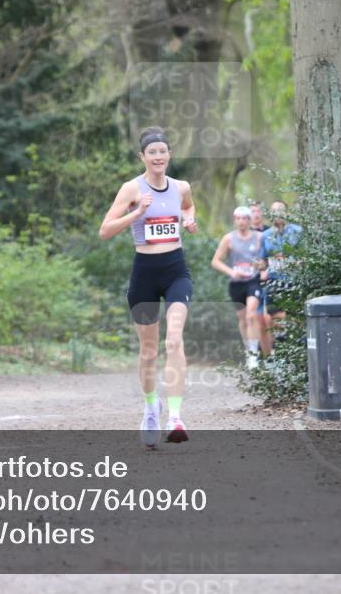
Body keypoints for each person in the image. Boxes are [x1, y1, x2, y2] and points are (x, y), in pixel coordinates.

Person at [99, 126, 198, 447]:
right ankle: (150, 408)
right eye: (151, 152)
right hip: (144, 272)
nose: (158, 157)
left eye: (163, 151)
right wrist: (137, 213)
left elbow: (187, 206)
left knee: (173, 341)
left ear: (169, 155)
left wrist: (189, 220)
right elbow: (105, 230)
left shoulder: (181, 186)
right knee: (148, 351)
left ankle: (175, 416)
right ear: (143, 156)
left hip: (175, 270)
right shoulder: (131, 189)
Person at [211, 206, 263, 370]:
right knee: (242, 319)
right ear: (235, 220)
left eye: (245, 218)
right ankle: (248, 350)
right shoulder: (229, 239)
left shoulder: (259, 237)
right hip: (236, 283)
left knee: (251, 315)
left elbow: (269, 256)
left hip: (253, 280)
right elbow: (216, 261)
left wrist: (262, 266)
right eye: (238, 218)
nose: (241, 222)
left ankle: (254, 356)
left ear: (249, 220)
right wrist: (231, 272)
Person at [258, 200, 303, 355]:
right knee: (272, 317)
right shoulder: (265, 235)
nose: (277, 214)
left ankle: (294, 350)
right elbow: (262, 261)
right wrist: (259, 268)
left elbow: (307, 256)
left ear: (286, 213)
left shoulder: (298, 231)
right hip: (274, 280)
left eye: (280, 210)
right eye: (274, 211)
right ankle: (278, 352)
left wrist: (297, 261)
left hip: (294, 281)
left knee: (296, 319)